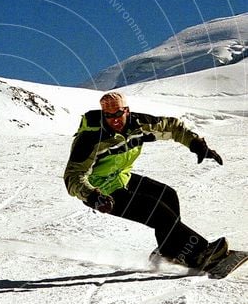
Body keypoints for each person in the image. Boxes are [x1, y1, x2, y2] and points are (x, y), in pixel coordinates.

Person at [63, 91, 228, 269]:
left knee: (167, 195)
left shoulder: (138, 125)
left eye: (118, 114)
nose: (115, 120)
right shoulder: (90, 138)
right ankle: (200, 253)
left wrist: (195, 144)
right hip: (100, 192)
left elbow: (172, 127)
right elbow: (73, 176)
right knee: (158, 212)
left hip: (121, 177)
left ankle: (169, 252)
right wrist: (92, 196)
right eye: (109, 116)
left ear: (127, 111)